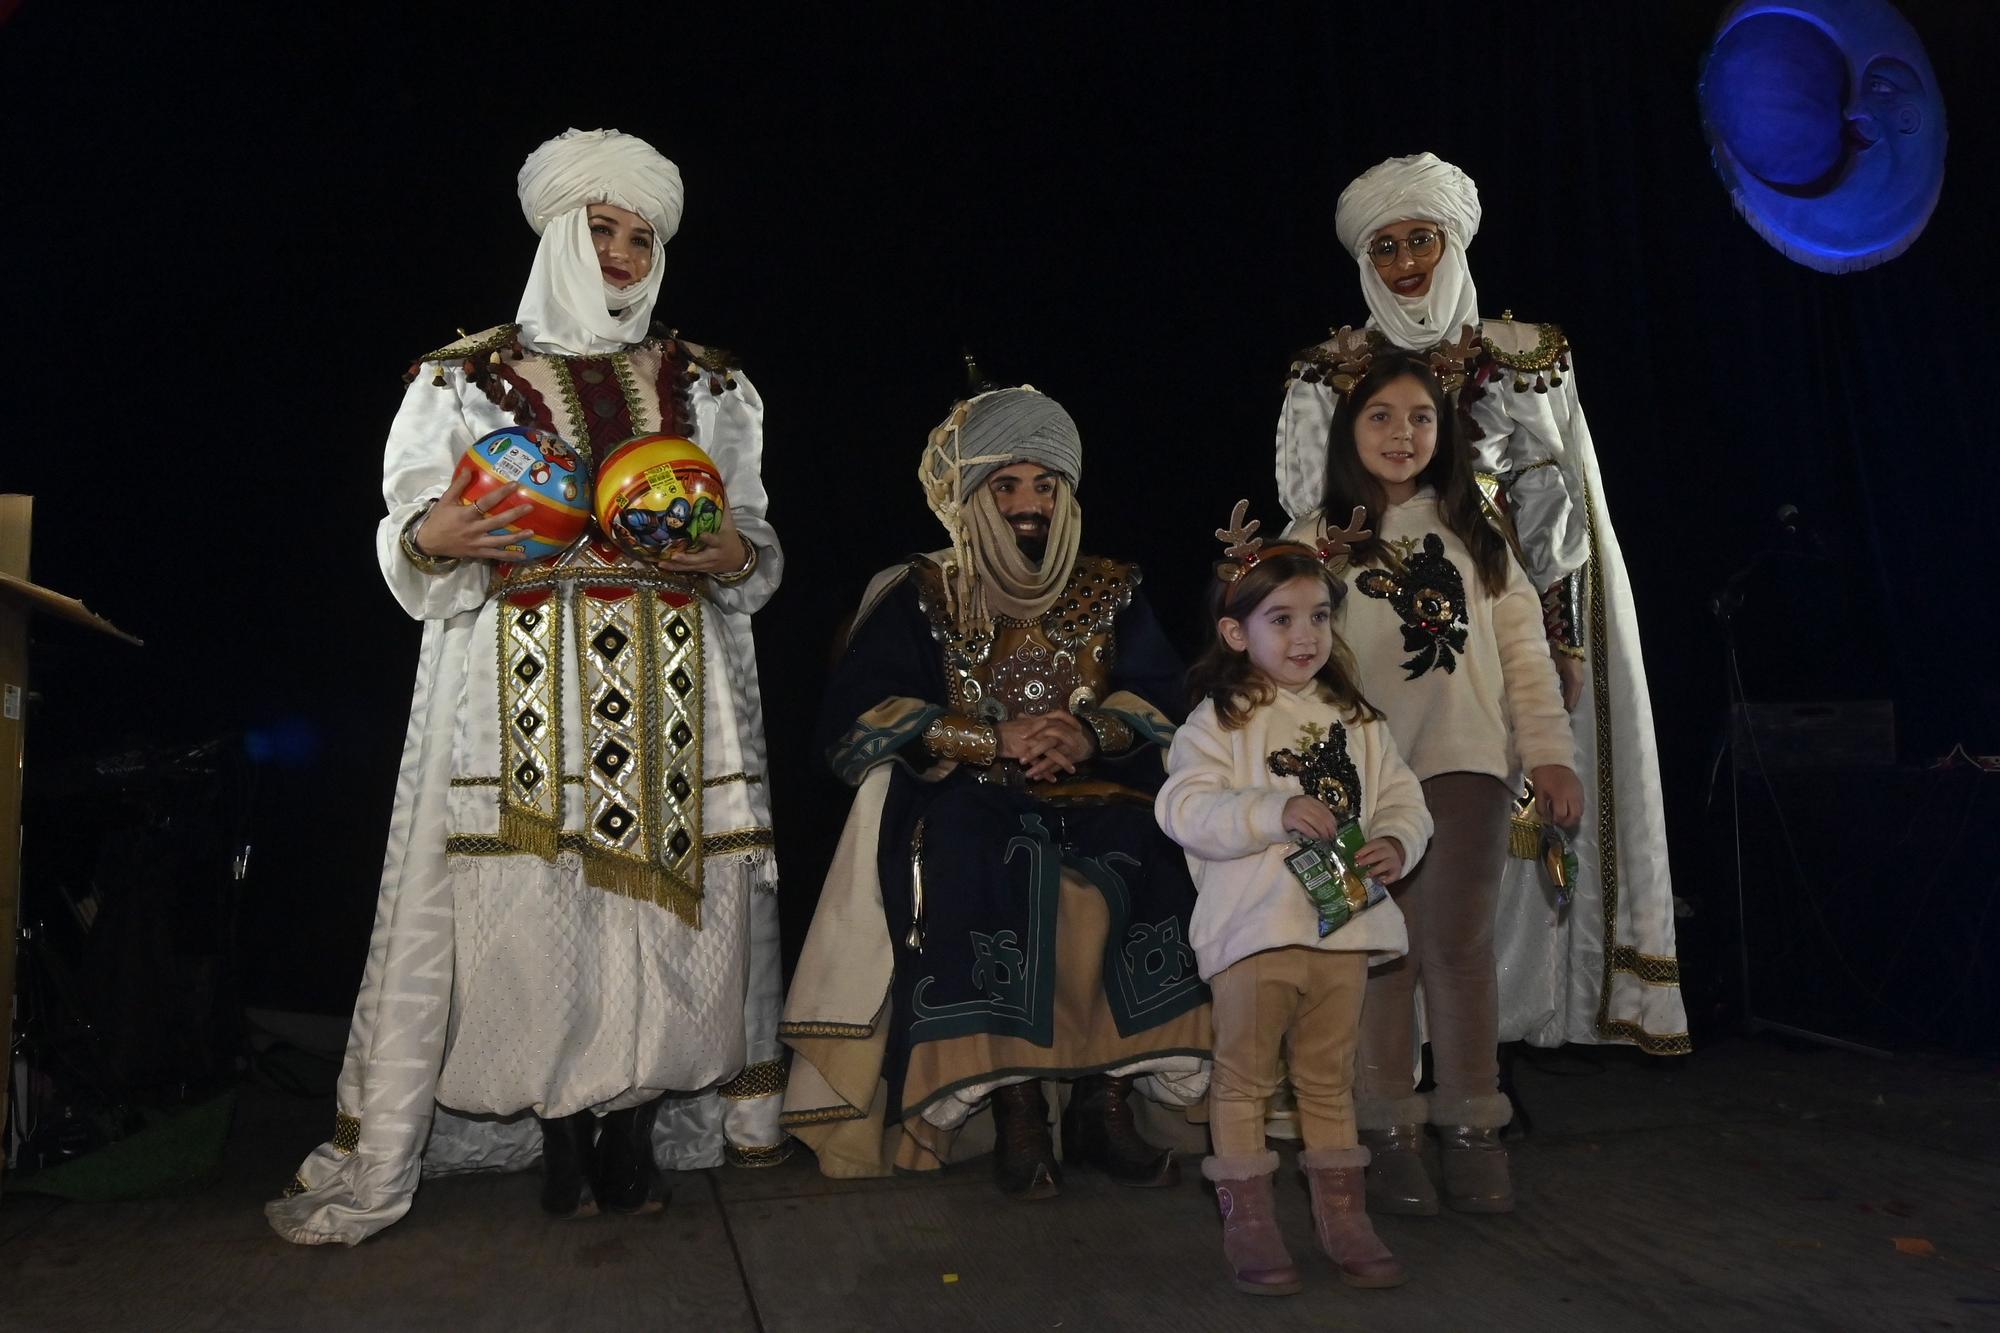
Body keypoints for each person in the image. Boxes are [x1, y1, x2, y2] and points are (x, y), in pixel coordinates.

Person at [267, 128, 786, 1246]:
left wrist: (732, 558)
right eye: (599, 229)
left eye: (640, 237)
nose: (621, 253)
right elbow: (415, 526)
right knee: (532, 912)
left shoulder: (710, 385)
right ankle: (559, 1129)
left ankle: (636, 1126)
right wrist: (430, 534)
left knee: (664, 916)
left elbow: (750, 537)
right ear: (556, 232)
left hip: (674, 691)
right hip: (518, 686)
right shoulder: (460, 377)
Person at [1274, 152, 1690, 1127]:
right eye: (1388, 244)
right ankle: (1384, 1093)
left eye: (1422, 238)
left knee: (1488, 870)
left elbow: (1559, 507)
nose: (1408, 258)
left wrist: (1565, 645)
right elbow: (1306, 517)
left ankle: (1488, 1073)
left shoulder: (1526, 351)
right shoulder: (1323, 368)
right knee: (1378, 890)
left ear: (1452, 243)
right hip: (1373, 645)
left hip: (1495, 629)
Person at [778, 386, 1211, 1199]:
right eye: (1007, 485)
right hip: (968, 793)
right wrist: (990, 737)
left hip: (1095, 791)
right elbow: (856, 718)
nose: (1027, 504)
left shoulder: (1111, 588)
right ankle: (1016, 1112)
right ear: (971, 495)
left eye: (1045, 485)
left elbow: (1170, 700)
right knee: (979, 853)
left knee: (1143, 846)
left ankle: (1103, 1106)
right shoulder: (923, 591)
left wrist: (1091, 733)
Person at [1286, 351, 1579, 1214]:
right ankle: (1386, 1133)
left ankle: (1473, 1129)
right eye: (1381, 416)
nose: (1402, 434)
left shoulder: (1478, 534)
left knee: (1454, 947)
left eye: (1420, 417)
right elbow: (1281, 660)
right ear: (1350, 432)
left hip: (1465, 766)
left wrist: (1550, 751)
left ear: (1442, 432)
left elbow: (1526, 657)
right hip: (1356, 778)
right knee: (1380, 952)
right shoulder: (1314, 540)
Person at [1155, 506, 1431, 1295]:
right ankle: (1250, 1222)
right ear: (1238, 632)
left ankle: (1343, 1219)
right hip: (1255, 936)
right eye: (1282, 618)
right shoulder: (1218, 720)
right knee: (1242, 1078)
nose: (1305, 634)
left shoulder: (1357, 719)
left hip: (1340, 930)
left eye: (1318, 615)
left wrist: (1396, 843)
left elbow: (1405, 800)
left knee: (1326, 1080)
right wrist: (1269, 811)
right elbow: (1182, 808)